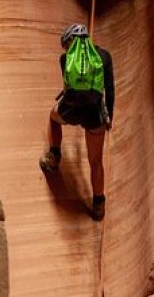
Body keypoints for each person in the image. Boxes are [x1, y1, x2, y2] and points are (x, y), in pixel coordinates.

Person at [39, 23, 114, 221]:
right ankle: (98, 205)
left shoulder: (65, 59)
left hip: (71, 109)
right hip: (95, 115)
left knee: (53, 117)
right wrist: (110, 118)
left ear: (69, 42)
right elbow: (110, 90)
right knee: (95, 162)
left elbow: (68, 85)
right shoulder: (104, 57)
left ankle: (54, 158)